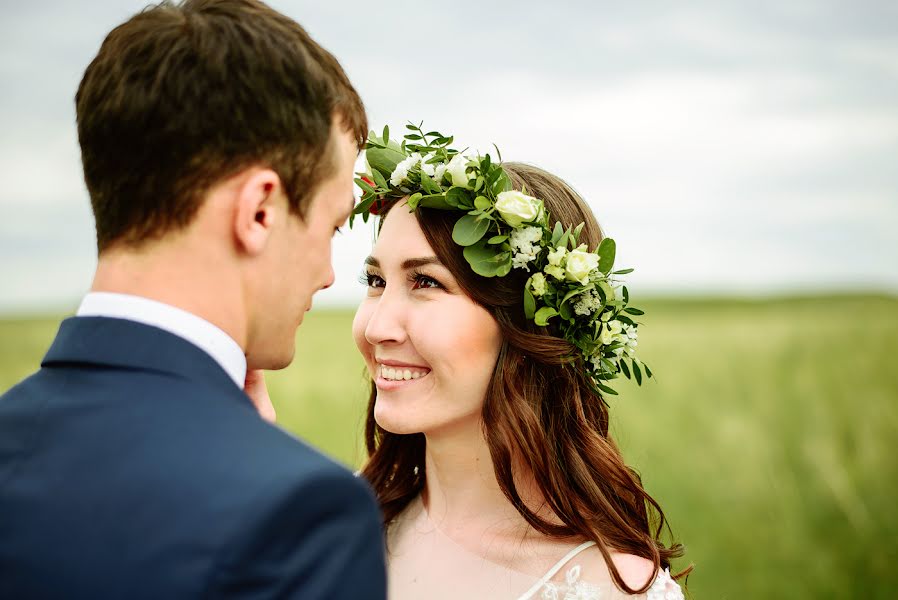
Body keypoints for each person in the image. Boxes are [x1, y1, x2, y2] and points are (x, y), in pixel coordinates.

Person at [0, 1, 386, 598]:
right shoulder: (302, 512)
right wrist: (254, 457)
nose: (328, 276)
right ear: (259, 210)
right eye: (331, 227)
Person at [350, 127, 689, 598]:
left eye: (425, 282)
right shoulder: (339, 523)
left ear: (530, 325)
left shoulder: (609, 590)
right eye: (374, 280)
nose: (375, 327)